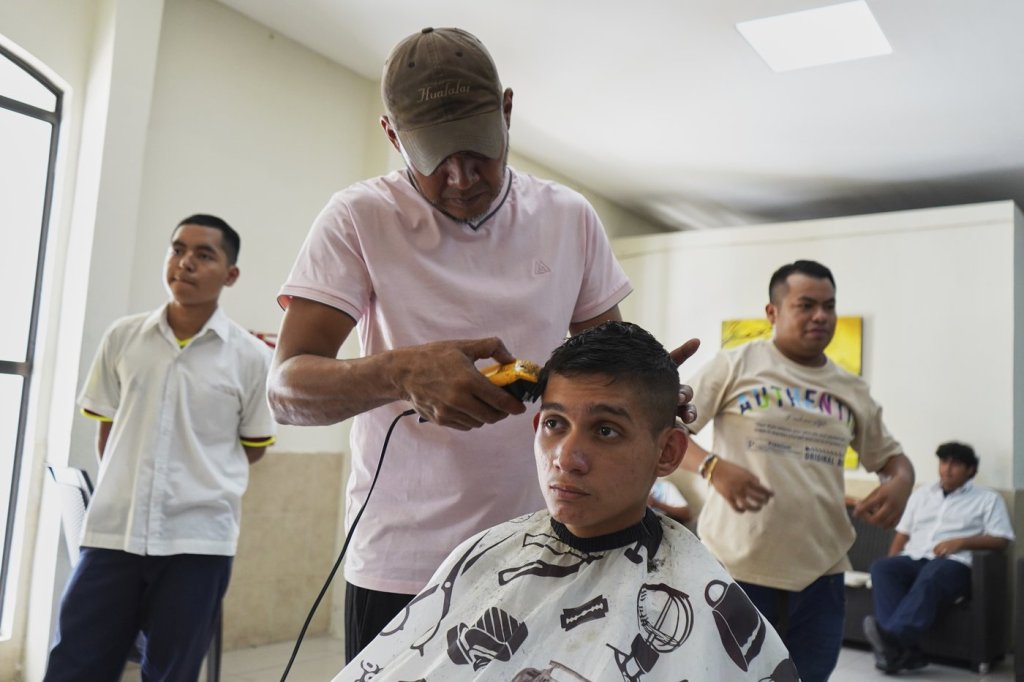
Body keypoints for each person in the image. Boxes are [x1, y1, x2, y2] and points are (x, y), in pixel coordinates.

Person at [268, 26, 703, 662]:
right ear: (392, 135)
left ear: (506, 111)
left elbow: (610, 371)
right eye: (435, 157)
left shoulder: (568, 218)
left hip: (547, 549)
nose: (461, 177)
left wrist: (652, 395)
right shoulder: (358, 218)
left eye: (478, 150)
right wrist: (399, 372)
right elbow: (286, 391)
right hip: (404, 564)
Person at [330, 321, 799, 681]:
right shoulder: (481, 554)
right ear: (537, 427)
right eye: (555, 424)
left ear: (668, 452)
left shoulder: (695, 593)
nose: (566, 459)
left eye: (606, 430)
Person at [44, 215, 276, 681]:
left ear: (231, 274)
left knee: (172, 671)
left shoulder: (252, 358)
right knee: (75, 665)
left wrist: (198, 469)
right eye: (177, 249)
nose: (185, 263)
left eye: (203, 255)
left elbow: (253, 447)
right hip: (114, 535)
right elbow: (108, 430)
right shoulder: (123, 337)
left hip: (198, 542)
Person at [679, 259, 915, 682]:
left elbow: (893, 461)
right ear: (772, 312)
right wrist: (712, 467)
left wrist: (901, 482)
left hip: (821, 578)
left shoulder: (851, 388)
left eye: (829, 306)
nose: (821, 316)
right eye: (806, 305)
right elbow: (667, 431)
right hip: (736, 571)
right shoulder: (734, 365)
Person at [863, 442, 1014, 674]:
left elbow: (1001, 539)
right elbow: (902, 534)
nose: (947, 468)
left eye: (956, 464)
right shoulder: (921, 495)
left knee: (934, 572)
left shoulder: (988, 499)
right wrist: (892, 560)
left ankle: (894, 641)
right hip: (915, 558)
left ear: (971, 470)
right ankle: (904, 650)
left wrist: (961, 542)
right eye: (944, 462)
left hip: (955, 564)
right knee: (882, 568)